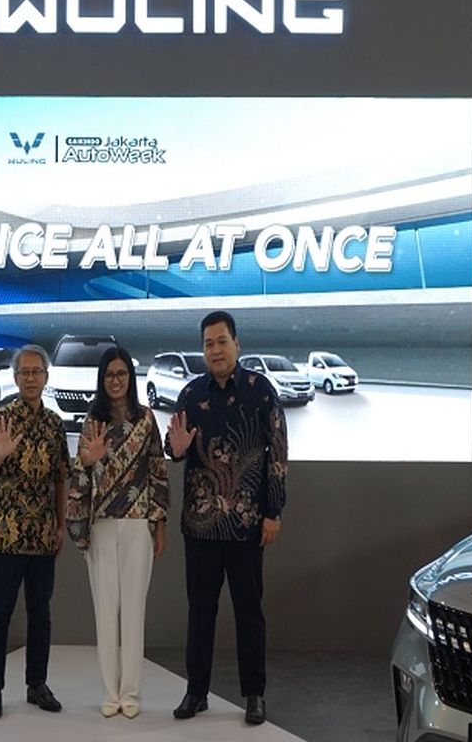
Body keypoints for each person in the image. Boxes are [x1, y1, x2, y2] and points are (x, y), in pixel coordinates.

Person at [165, 310, 287, 726]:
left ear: (237, 344)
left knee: (249, 611)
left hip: (246, 525)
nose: (215, 350)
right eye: (208, 344)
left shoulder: (260, 390)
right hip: (200, 525)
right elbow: (173, 447)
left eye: (221, 341)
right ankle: (196, 692)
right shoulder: (190, 393)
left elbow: (278, 452)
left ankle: (254, 694)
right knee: (200, 612)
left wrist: (273, 511)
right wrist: (176, 448)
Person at [67, 347, 169, 718]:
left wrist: (159, 523)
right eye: (109, 374)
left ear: (130, 377)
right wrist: (87, 459)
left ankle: (132, 695)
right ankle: (110, 693)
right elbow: (79, 471)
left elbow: (157, 470)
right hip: (101, 524)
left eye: (121, 373)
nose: (115, 380)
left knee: (134, 612)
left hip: (138, 524)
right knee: (106, 611)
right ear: (102, 379)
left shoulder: (146, 419)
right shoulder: (93, 421)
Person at [0, 344, 69, 720]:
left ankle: (37, 684)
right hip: (7, 535)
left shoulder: (55, 424)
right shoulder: (2, 418)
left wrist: (61, 525)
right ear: (15, 378)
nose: (31, 378)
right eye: (24, 373)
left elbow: (60, 478)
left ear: (46, 378)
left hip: (43, 535)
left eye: (37, 372)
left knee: (41, 615)